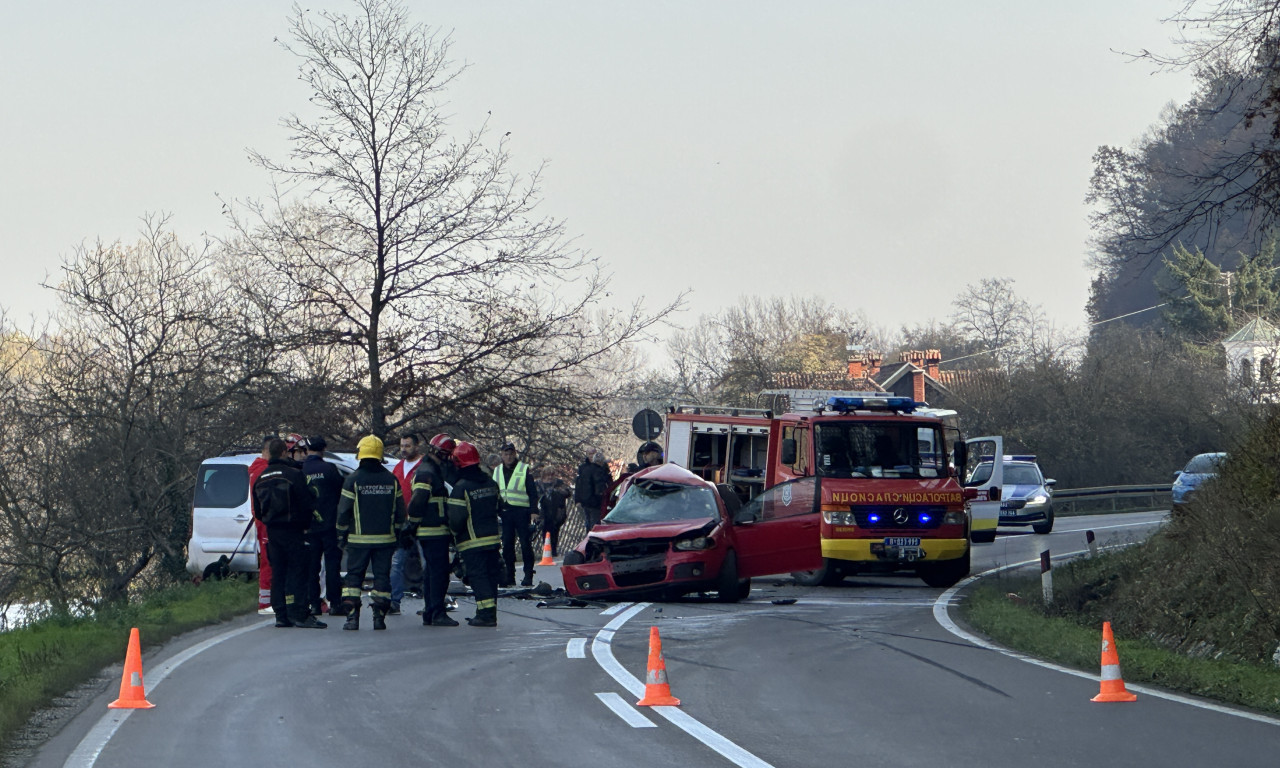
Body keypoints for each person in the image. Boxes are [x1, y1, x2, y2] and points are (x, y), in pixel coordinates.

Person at [252, 437, 325, 629]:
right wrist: (305, 524)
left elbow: (258, 511)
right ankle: (299, 613)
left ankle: (281, 615)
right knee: (298, 572)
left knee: (278, 573)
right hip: (294, 530)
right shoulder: (293, 474)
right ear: (284, 452)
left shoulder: (261, 478)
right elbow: (306, 503)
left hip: (273, 532)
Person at [336, 435, 407, 631]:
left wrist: (340, 534)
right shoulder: (391, 479)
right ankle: (379, 618)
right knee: (382, 578)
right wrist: (401, 532)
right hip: (386, 540)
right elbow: (401, 512)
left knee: (353, 578)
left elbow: (343, 511)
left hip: (358, 541)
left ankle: (352, 619)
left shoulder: (353, 480)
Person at [447, 441, 502, 627]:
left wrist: (453, 536)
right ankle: (488, 611)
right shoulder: (490, 483)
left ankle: (486, 615)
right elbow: (499, 506)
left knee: (479, 578)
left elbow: (455, 520)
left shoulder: (461, 487)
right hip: (493, 540)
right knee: (491, 576)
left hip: (472, 542)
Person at [408, 433, 458, 626]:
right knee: (438, 573)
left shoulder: (430, 469)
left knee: (432, 572)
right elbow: (418, 499)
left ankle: (431, 612)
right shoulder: (428, 471)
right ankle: (437, 612)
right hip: (433, 530)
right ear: (444, 454)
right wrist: (413, 523)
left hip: (434, 530)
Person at [301, 436, 344, 617]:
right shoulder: (330, 469)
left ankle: (315, 605)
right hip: (330, 525)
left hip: (308, 527)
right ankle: (335, 603)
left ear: (306, 450)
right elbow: (342, 492)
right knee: (332, 565)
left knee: (312, 567)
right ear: (323, 450)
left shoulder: (300, 470)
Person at [494, 442, 539, 587]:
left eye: (511, 454)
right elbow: (494, 492)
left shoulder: (523, 469)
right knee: (507, 545)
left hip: (521, 512)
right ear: (502, 455)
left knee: (525, 544)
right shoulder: (497, 471)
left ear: (515, 454)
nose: (508, 457)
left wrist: (533, 512)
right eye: (506, 454)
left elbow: (532, 492)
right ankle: (510, 575)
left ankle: (528, 574)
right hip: (504, 512)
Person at [389, 434, 424, 615]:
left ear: (417, 446)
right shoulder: (398, 467)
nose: (404, 449)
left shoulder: (424, 466)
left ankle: (432, 602)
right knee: (397, 563)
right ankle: (394, 602)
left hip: (423, 522)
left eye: (408, 446)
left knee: (427, 563)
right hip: (404, 524)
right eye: (402, 445)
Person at [247, 434, 276, 614]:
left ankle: (267, 600)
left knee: (268, 560)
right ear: (267, 450)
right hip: (266, 520)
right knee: (268, 561)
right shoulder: (262, 470)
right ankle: (265, 603)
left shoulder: (257, 468)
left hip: (262, 520)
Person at [574, 447, 611, 532]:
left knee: (594, 523)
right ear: (586, 455)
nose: (591, 456)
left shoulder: (603, 468)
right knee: (591, 523)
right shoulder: (583, 468)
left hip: (596, 501)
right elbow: (579, 485)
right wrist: (578, 500)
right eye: (590, 454)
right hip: (588, 501)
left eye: (593, 453)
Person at [537, 468, 570, 557]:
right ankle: (547, 550)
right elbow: (534, 495)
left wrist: (558, 491)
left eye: (552, 475)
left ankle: (553, 550)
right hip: (543, 511)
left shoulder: (559, 483)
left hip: (557, 511)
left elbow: (567, 492)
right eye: (547, 475)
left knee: (555, 531)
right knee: (545, 530)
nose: (550, 477)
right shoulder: (538, 484)